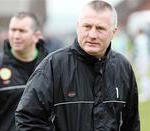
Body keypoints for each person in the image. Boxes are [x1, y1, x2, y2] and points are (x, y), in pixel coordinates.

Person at [15, 1, 140, 131]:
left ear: (114, 32)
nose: (92, 35)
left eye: (100, 28)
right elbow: (27, 118)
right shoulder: (53, 66)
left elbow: (132, 123)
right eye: (87, 26)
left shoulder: (123, 67)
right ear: (78, 27)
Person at [0, 12, 48, 131]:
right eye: (13, 30)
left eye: (22, 31)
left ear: (36, 35)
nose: (16, 35)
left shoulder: (50, 66)